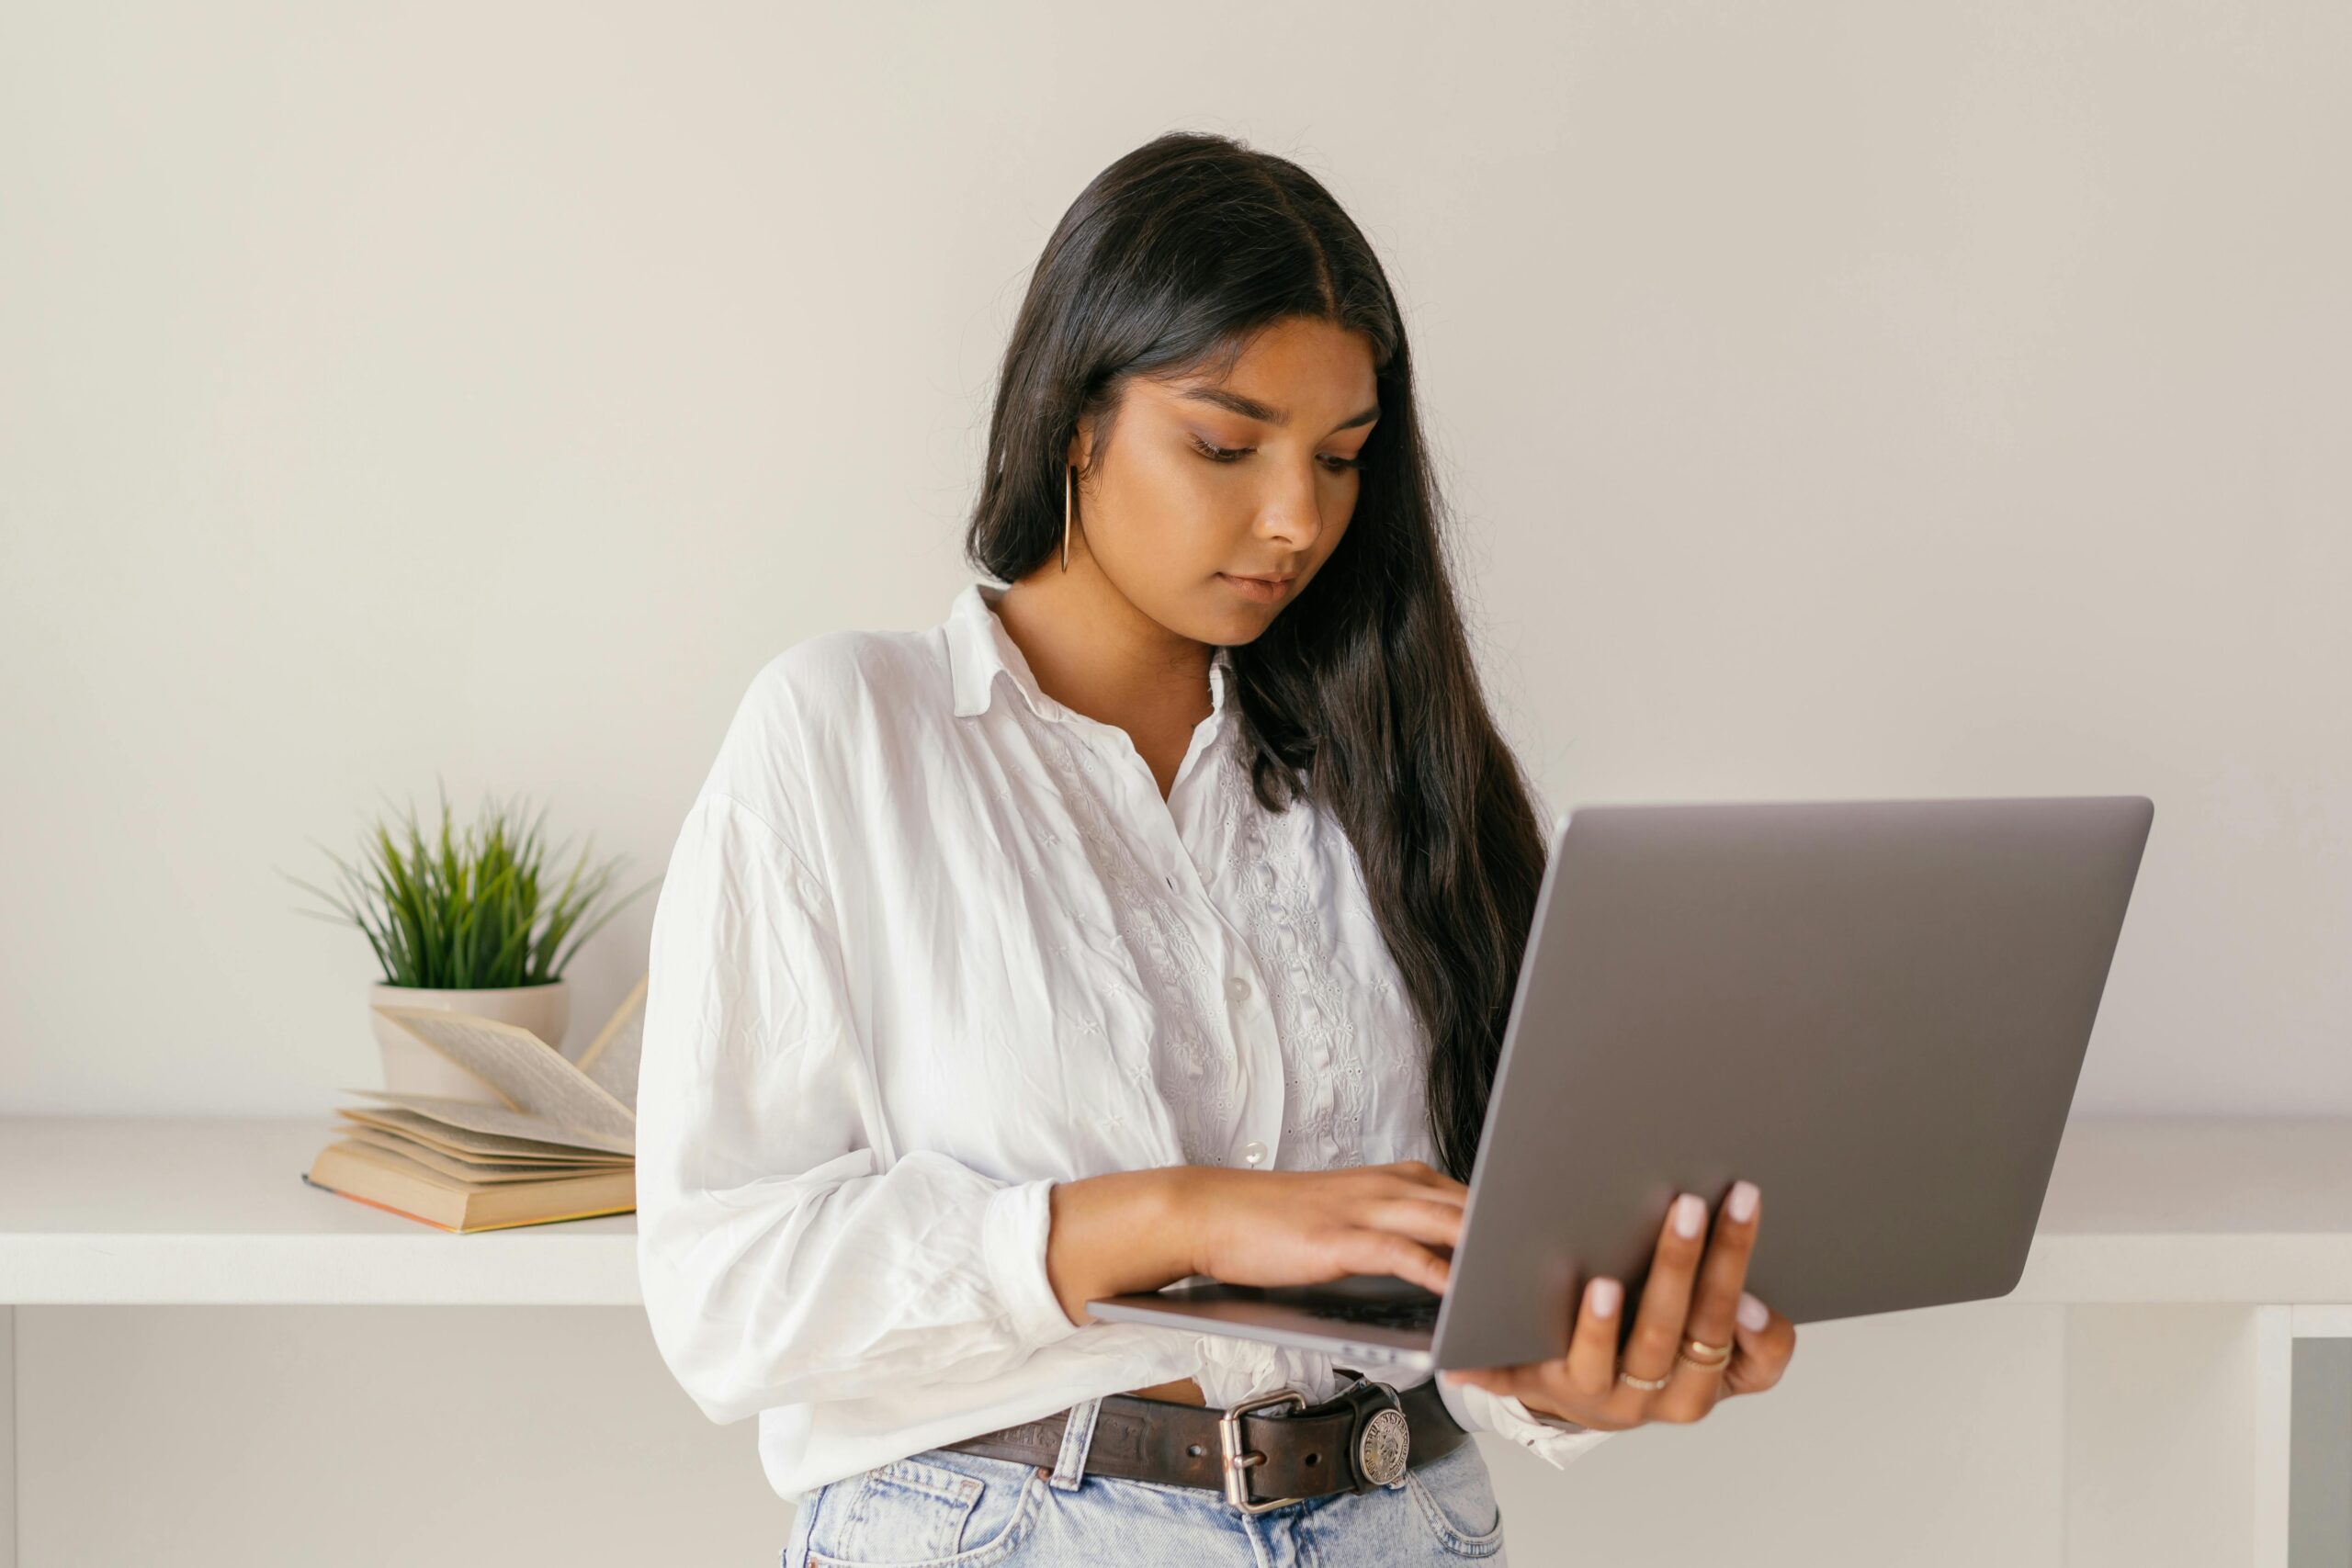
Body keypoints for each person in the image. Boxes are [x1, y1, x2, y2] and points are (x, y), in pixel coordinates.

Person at [636, 129, 1798, 1567]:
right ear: (1075, 416)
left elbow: (1475, 1257)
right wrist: (1186, 1217)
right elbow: (725, 1294)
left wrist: (1574, 1370)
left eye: (1343, 457)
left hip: (1406, 1513)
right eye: (1225, 444)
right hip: (1016, 1529)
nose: (1297, 517)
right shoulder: (848, 733)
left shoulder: (1395, 773)